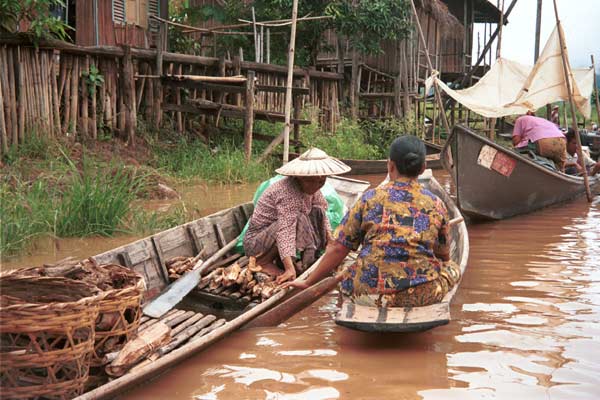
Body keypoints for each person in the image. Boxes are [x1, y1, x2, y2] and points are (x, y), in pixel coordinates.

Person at [283, 136, 460, 308]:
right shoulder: (436, 204)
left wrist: (308, 282)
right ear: (423, 168)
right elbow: (443, 255)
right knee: (452, 267)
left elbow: (338, 248)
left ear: (390, 165)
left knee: (345, 267)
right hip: (421, 296)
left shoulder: (369, 198)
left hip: (366, 296)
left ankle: (343, 307)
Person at [243, 148, 350, 284]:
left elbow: (321, 210)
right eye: (311, 181)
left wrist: (329, 238)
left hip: (277, 234)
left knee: (317, 210)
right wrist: (289, 269)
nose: (316, 185)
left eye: (321, 181)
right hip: (257, 243)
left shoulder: (314, 188)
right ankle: (264, 262)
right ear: (300, 177)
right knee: (298, 219)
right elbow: (285, 231)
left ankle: (311, 258)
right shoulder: (288, 192)